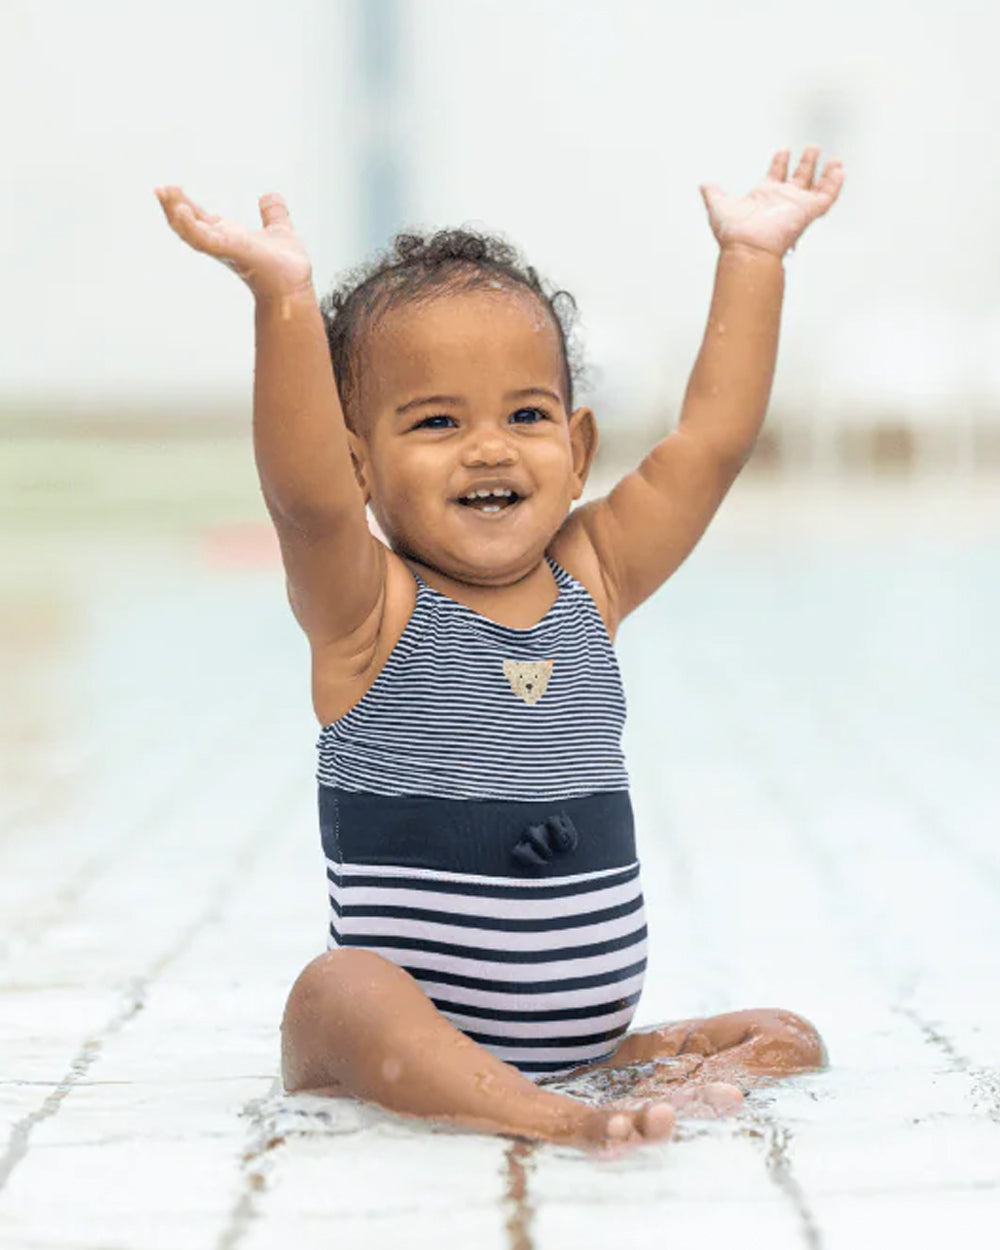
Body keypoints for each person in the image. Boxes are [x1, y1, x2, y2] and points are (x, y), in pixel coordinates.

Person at [155, 145, 844, 1152]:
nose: (489, 446)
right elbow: (305, 501)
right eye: (437, 421)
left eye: (526, 414)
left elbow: (708, 445)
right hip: (393, 1041)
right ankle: (545, 1118)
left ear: (579, 449)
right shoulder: (369, 611)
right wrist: (283, 300)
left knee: (784, 1036)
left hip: (586, 1051)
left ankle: (614, 1094)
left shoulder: (592, 577)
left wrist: (753, 258)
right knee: (338, 988)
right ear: (359, 466)